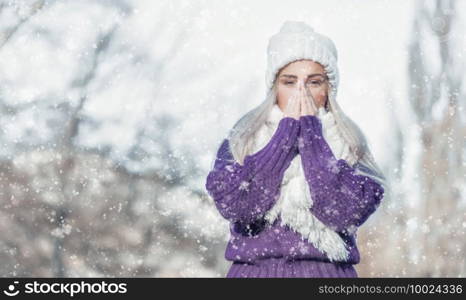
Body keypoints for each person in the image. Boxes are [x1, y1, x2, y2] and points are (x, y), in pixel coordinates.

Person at [205, 20, 387, 278]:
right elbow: (241, 207)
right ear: (274, 87)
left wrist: (312, 136)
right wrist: (285, 135)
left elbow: (341, 211)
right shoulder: (242, 139)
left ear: (328, 89)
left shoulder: (351, 144)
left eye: (314, 82)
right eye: (289, 82)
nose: (301, 92)